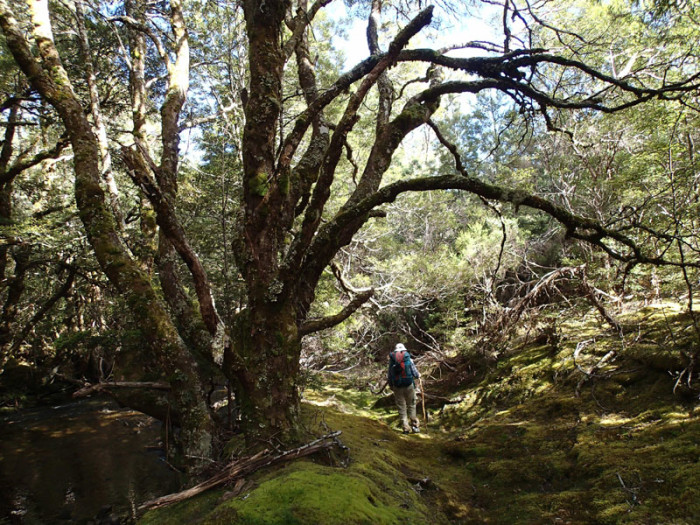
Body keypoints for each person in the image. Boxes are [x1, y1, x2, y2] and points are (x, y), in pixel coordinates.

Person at [387, 343, 421, 434]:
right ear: (404, 351)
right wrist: (418, 376)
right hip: (409, 384)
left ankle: (406, 428)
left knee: (401, 407)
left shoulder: (392, 361)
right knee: (411, 404)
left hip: (397, 386)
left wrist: (391, 385)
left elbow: (390, 375)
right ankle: (415, 426)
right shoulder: (408, 359)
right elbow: (415, 372)